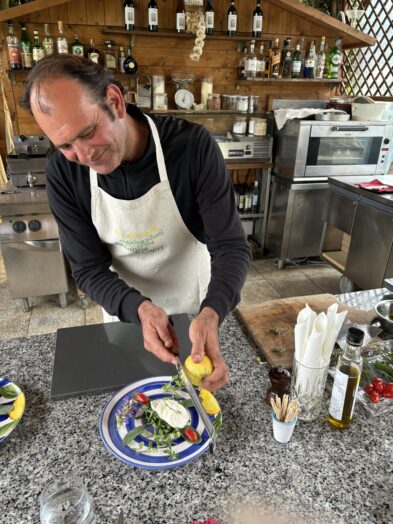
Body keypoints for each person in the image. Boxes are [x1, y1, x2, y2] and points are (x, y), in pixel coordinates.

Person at [20, 55, 251, 391]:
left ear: (115, 101)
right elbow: (87, 269)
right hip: (125, 312)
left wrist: (212, 313)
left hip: (196, 309)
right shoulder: (63, 174)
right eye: (66, 145)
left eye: (87, 133)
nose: (84, 156)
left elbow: (231, 247)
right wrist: (139, 308)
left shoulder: (191, 148)